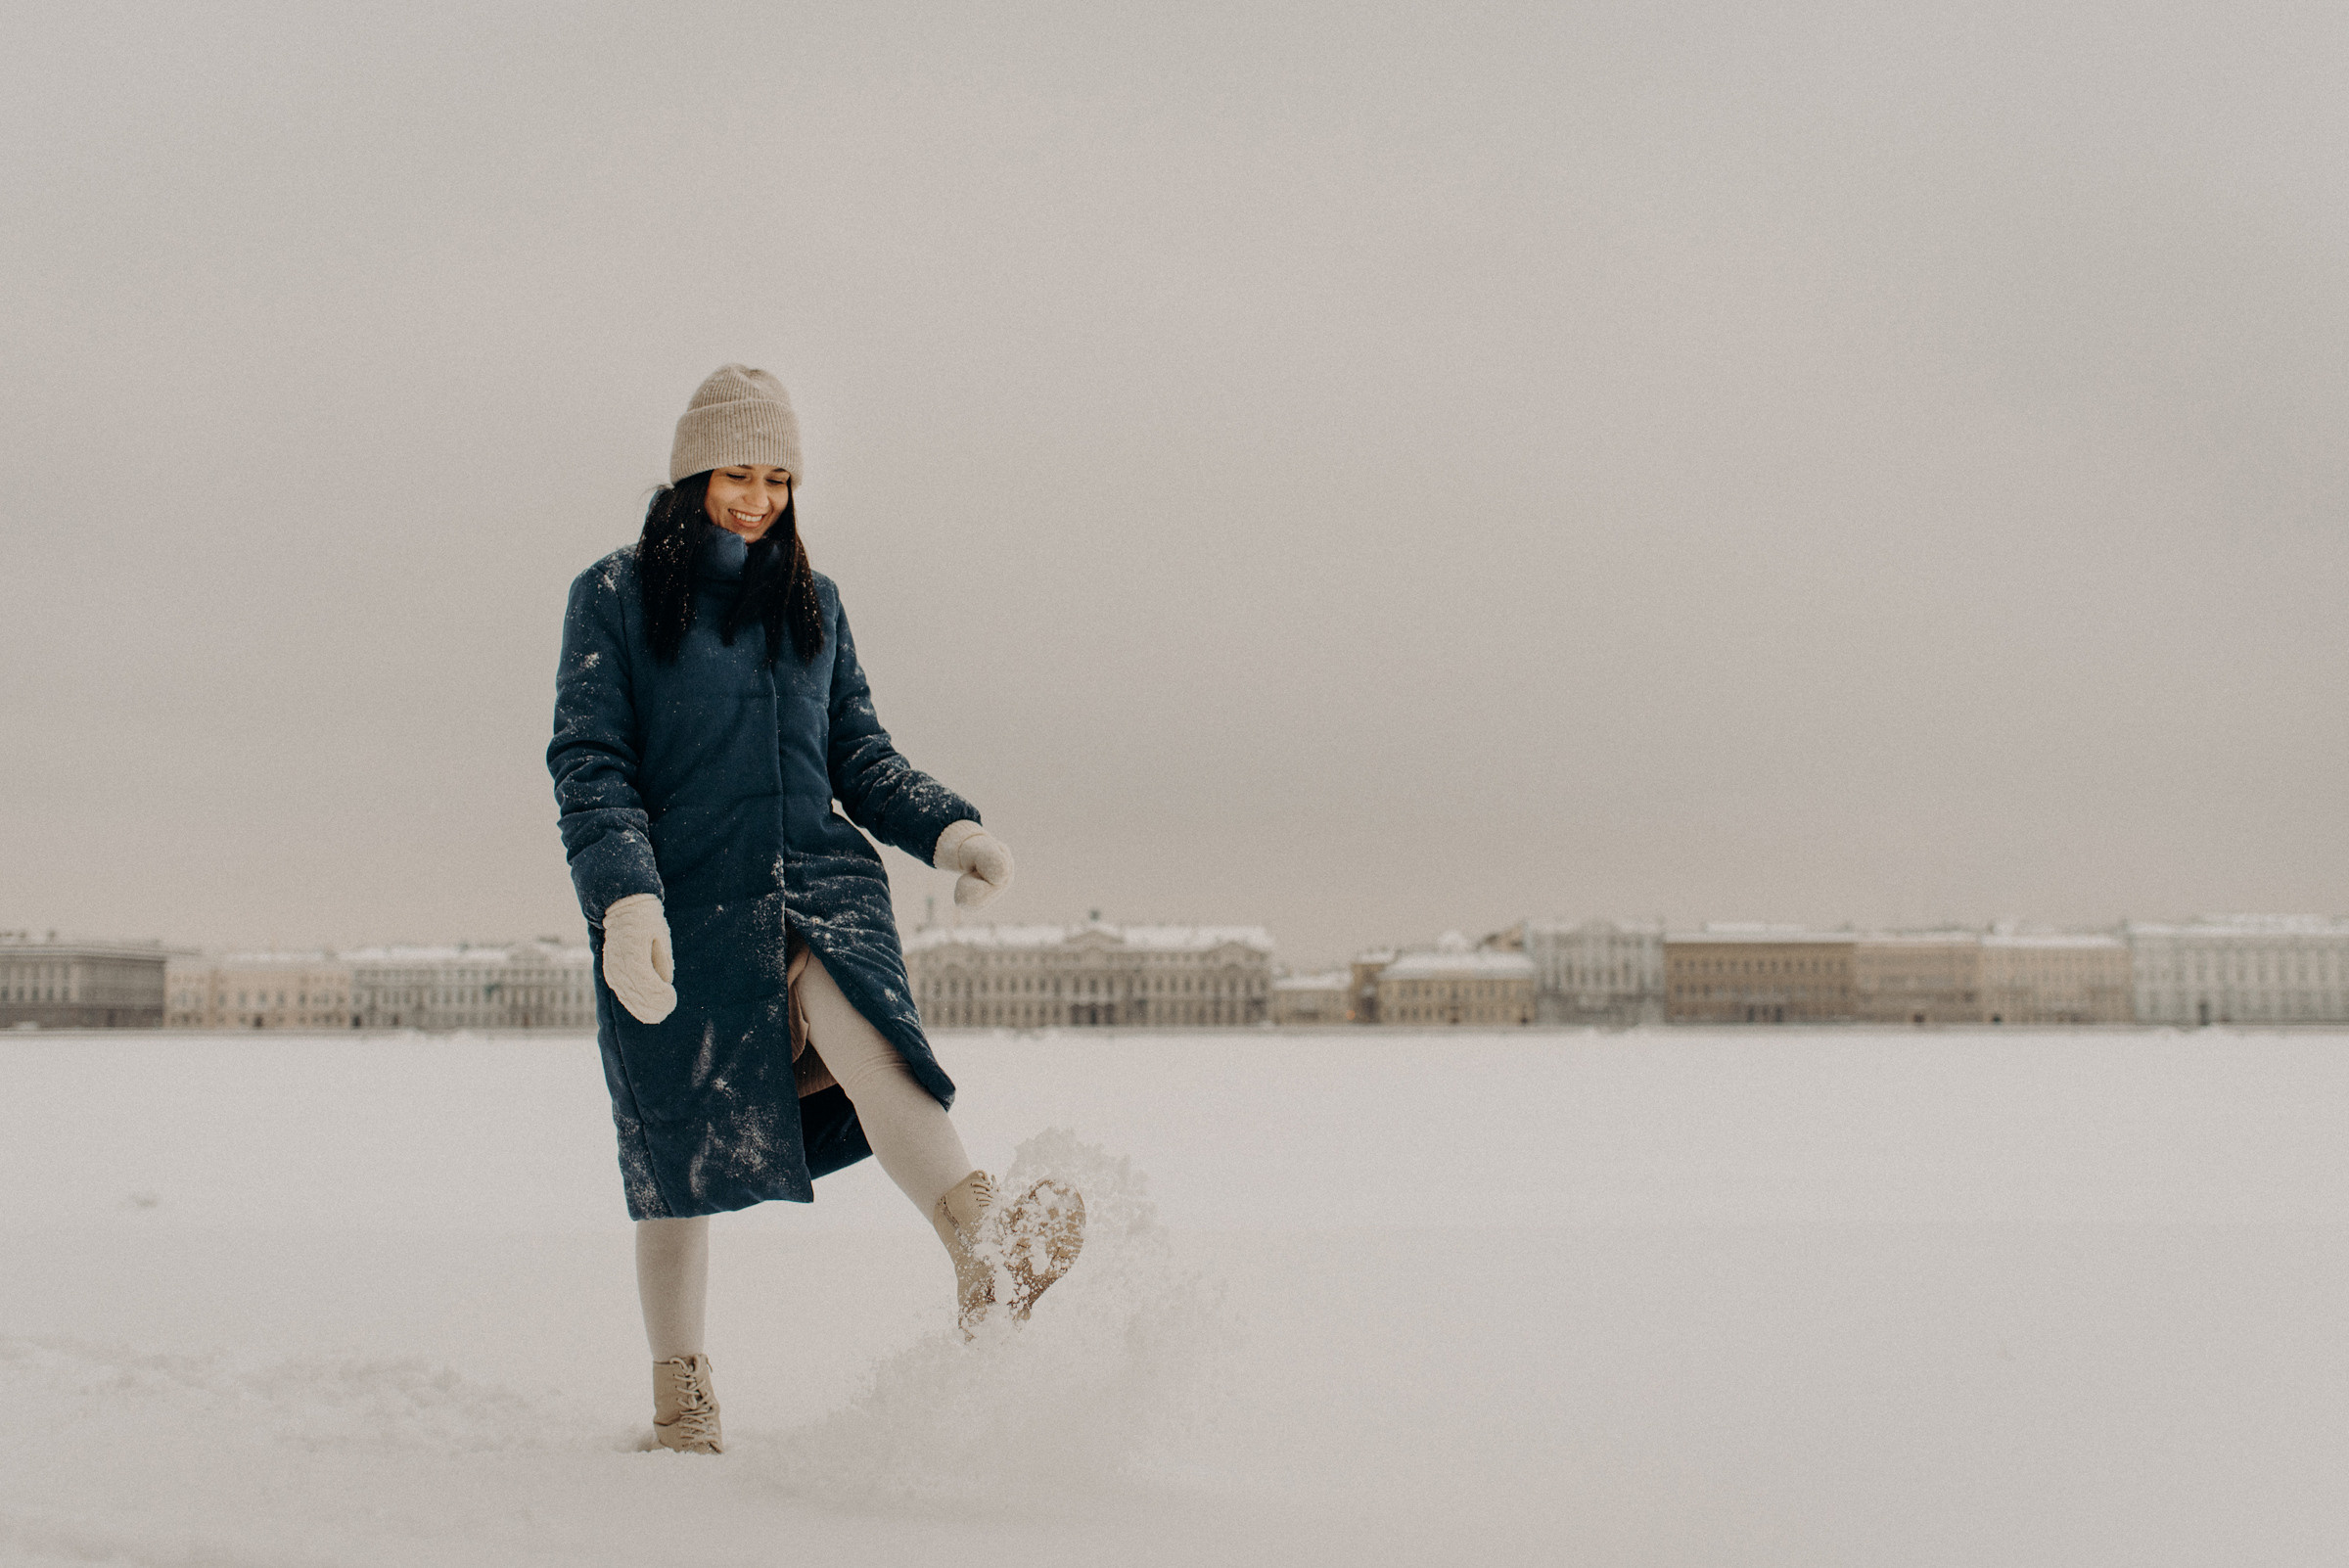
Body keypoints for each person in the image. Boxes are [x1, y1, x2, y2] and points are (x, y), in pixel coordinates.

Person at [548, 364, 1084, 1455]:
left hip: (818, 888)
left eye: (779, 478)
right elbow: (591, 762)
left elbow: (859, 755)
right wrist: (627, 902)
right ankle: (682, 1406)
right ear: (693, 470)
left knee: (878, 1052)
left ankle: (985, 1252)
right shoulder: (611, 596)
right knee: (674, 1167)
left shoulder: (813, 603)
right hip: (685, 910)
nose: (758, 498)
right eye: (738, 473)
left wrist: (951, 829)